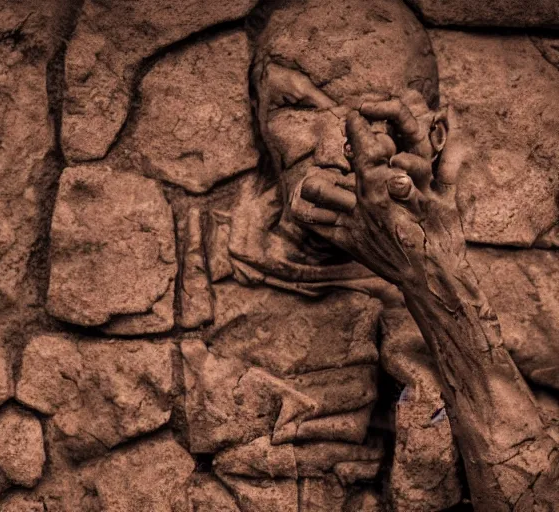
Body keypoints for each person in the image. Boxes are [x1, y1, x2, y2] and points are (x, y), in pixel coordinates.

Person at [211, 0, 559, 509]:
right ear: (258, 120)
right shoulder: (189, 273)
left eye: (370, 117)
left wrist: (427, 282)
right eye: (297, 106)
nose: (334, 148)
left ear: (433, 136)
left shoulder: (529, 303)